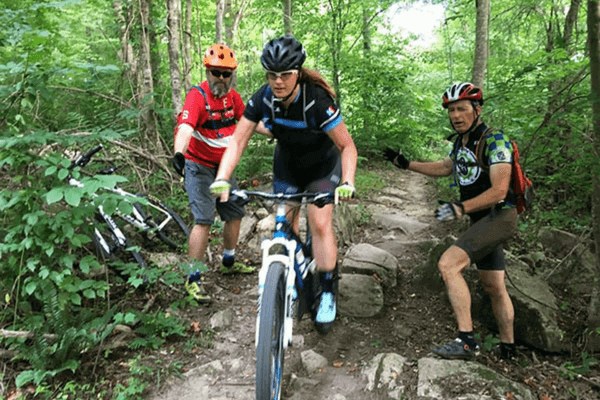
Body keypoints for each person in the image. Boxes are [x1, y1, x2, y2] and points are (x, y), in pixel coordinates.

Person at [209, 35, 358, 334]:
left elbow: (347, 147)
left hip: (322, 168)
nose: (278, 82)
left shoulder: (317, 100)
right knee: (285, 221)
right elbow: (238, 141)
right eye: (272, 75)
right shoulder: (262, 97)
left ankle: (327, 288)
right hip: (288, 167)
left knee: (318, 222)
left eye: (285, 75)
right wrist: (223, 177)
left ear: (298, 73)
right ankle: (287, 275)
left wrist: (347, 181)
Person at [384, 82, 518, 360]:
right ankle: (508, 348)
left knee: (448, 264)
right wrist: (407, 164)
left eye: (462, 109)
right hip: (481, 220)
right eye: (452, 110)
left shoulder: (495, 141)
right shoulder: (460, 142)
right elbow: (446, 168)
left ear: (477, 110)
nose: (456, 115)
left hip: (499, 216)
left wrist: (459, 207)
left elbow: (499, 191)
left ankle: (466, 341)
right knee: (494, 286)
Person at [172, 43, 256, 303]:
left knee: (234, 213)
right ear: (207, 71)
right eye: (216, 72)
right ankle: (193, 279)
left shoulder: (234, 99)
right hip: (198, 166)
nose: (221, 78)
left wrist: (281, 132)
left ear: (232, 75)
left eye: (226, 73)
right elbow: (186, 127)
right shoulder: (197, 96)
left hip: (224, 167)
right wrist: (178, 153)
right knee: (203, 219)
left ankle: (228, 262)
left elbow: (250, 123)